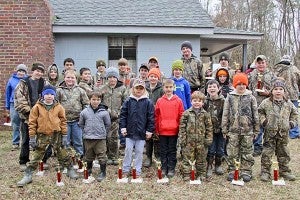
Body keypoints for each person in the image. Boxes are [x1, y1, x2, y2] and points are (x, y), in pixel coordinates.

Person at [17, 85, 78, 187]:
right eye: (47, 94)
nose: (49, 96)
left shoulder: (59, 107)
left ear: (54, 96)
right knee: (37, 155)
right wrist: (32, 137)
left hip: (56, 134)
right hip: (42, 135)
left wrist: (64, 135)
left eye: (51, 94)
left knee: (63, 153)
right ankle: (28, 174)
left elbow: (63, 122)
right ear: (43, 95)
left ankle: (70, 169)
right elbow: (32, 123)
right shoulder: (36, 107)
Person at [221, 73, 259, 182]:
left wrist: (256, 129)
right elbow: (225, 113)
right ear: (234, 85)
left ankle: (246, 171)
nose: (241, 86)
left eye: (243, 84)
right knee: (232, 152)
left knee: (247, 151)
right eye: (239, 84)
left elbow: (255, 114)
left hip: (248, 131)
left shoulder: (251, 97)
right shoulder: (230, 97)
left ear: (246, 85)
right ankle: (232, 170)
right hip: (233, 131)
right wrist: (224, 129)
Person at [14, 62, 51, 171]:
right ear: (32, 71)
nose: (39, 73)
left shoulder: (45, 83)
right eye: (37, 71)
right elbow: (20, 100)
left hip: (42, 117)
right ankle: (23, 161)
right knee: (26, 140)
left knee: (42, 140)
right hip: (27, 117)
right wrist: (31, 112)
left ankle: (42, 161)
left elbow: (50, 97)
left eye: (41, 71)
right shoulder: (23, 83)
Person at [259, 78, 298, 181]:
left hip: (283, 133)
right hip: (270, 132)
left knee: (284, 152)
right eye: (276, 89)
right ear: (272, 91)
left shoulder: (288, 104)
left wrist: (291, 123)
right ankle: (265, 172)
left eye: (280, 89)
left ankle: (284, 171)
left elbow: (295, 114)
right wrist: (263, 121)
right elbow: (260, 112)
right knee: (267, 153)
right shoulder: (266, 103)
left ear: (284, 91)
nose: (278, 91)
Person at [120, 79, 155, 178]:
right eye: (137, 88)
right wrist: (123, 127)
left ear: (144, 89)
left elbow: (151, 117)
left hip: (141, 133)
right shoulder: (128, 101)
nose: (139, 90)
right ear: (133, 89)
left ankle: (137, 171)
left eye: (141, 88)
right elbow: (123, 115)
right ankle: (126, 170)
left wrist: (149, 130)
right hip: (129, 132)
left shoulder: (148, 102)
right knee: (128, 150)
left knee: (139, 152)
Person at [178, 91, 213, 181]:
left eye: (199, 101)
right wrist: (182, 139)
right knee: (187, 158)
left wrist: (208, 138)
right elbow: (182, 127)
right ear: (191, 101)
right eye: (194, 100)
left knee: (201, 159)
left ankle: (201, 174)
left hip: (201, 142)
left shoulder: (205, 114)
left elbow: (209, 127)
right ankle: (187, 173)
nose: (197, 102)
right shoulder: (186, 113)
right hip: (189, 142)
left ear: (202, 102)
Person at [79, 92, 111, 182]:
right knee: (88, 155)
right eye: (93, 99)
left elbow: (108, 124)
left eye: (98, 100)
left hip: (100, 138)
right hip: (88, 138)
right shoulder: (84, 112)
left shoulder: (104, 112)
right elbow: (81, 124)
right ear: (90, 100)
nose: (95, 101)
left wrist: (103, 132)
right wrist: (86, 131)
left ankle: (103, 172)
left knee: (101, 155)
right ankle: (89, 170)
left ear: (100, 101)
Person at [56, 70, 89, 157]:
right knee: (65, 142)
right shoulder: (59, 90)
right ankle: (66, 160)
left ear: (76, 78)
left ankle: (79, 159)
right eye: (68, 77)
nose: (70, 79)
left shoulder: (80, 90)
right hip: (64, 121)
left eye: (72, 78)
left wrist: (82, 116)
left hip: (77, 121)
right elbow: (55, 105)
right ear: (64, 78)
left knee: (78, 141)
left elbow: (86, 104)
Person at [155, 79, 184, 177]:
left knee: (172, 150)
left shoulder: (178, 100)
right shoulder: (159, 101)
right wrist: (157, 129)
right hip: (163, 131)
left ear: (174, 88)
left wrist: (180, 129)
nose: (168, 89)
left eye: (170, 87)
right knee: (163, 150)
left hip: (174, 131)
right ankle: (164, 167)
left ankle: (171, 168)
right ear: (163, 88)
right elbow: (156, 116)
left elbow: (181, 115)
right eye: (166, 87)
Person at [248, 55, 275, 156]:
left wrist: (268, 93)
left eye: (262, 62)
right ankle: (257, 146)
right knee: (257, 127)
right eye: (259, 63)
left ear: (266, 63)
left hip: (268, 105)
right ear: (256, 64)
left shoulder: (272, 75)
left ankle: (268, 146)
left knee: (268, 125)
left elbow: (278, 90)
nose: (261, 65)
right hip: (254, 104)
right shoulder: (251, 75)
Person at [99, 67, 127, 165]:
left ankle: (114, 156)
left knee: (114, 138)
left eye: (114, 77)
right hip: (104, 118)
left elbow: (125, 102)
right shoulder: (102, 88)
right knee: (105, 137)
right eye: (110, 77)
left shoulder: (122, 88)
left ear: (117, 78)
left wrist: (119, 113)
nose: (112, 79)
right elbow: (99, 101)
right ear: (107, 78)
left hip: (116, 117)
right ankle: (106, 155)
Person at [272, 55, 300, 139]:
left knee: (281, 114)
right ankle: (294, 133)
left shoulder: (277, 69)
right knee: (293, 114)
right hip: (293, 95)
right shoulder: (295, 69)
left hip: (280, 95)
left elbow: (273, 81)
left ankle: (279, 131)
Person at [203, 79, 225, 177]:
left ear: (218, 88)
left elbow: (226, 115)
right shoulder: (204, 101)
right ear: (207, 90)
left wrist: (225, 128)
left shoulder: (223, 101)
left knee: (220, 149)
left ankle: (218, 165)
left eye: (214, 87)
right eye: (210, 87)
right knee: (211, 149)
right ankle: (209, 166)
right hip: (209, 130)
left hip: (220, 129)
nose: (212, 88)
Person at [144, 68, 164, 167]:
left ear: (158, 78)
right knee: (148, 137)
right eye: (151, 76)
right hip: (146, 116)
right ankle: (148, 157)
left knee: (156, 137)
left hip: (157, 116)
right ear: (148, 77)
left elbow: (163, 101)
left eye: (155, 76)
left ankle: (157, 155)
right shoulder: (144, 88)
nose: (153, 78)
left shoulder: (161, 89)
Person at [5, 64, 28, 150]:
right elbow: (7, 94)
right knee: (15, 123)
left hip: (24, 104)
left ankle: (26, 142)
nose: (21, 73)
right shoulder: (11, 80)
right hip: (13, 104)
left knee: (26, 124)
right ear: (17, 71)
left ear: (25, 72)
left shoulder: (27, 80)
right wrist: (7, 106)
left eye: (23, 71)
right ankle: (15, 142)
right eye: (19, 71)